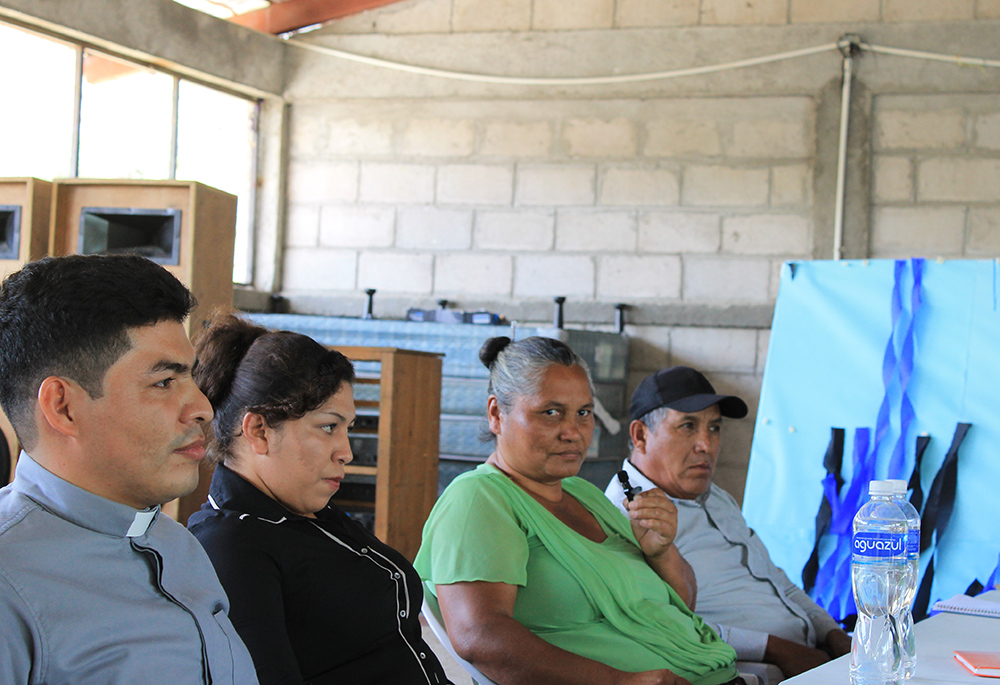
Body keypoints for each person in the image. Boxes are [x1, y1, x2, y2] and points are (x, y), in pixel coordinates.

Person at [414, 336, 742, 685]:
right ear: (497, 414)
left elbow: (681, 607)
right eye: (551, 412)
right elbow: (480, 638)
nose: (573, 432)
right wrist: (621, 682)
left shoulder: (584, 495)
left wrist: (662, 553)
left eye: (584, 413)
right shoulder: (479, 499)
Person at [0, 254, 257, 684]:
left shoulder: (176, 544)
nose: (202, 409)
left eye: (190, 378)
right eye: (163, 382)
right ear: (63, 407)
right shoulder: (10, 581)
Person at [187, 312, 451, 685]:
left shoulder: (310, 512)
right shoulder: (233, 546)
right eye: (328, 427)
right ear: (259, 430)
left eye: (348, 429)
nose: (345, 451)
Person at [604, 366, 852, 680]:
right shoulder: (625, 514)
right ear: (641, 436)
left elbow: (776, 580)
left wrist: (831, 633)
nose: (706, 445)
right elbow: (653, 625)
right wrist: (776, 649)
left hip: (810, 655)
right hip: (746, 670)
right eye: (688, 426)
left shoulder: (716, 497)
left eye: (715, 428)